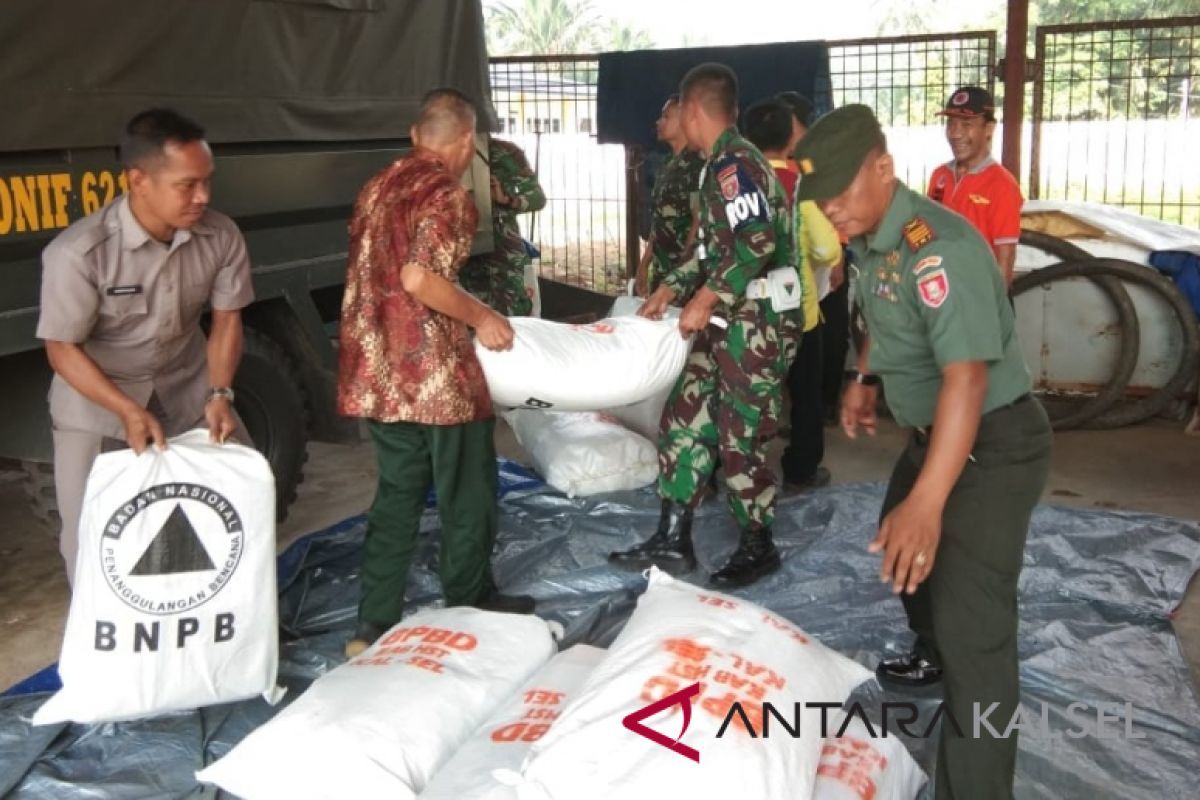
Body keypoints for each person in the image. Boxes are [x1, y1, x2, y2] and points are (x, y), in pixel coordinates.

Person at [794, 104, 1052, 799]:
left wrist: (930, 504)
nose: (831, 212)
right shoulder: (876, 238)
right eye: (821, 201)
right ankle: (935, 645)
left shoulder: (940, 249)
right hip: (938, 435)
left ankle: (977, 784)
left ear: (884, 168)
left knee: (980, 640)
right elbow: (889, 314)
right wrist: (863, 377)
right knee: (905, 556)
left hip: (993, 445)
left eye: (841, 196)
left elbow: (967, 378)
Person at [337, 89, 532, 658]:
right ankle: (470, 606)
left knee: (396, 495)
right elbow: (421, 279)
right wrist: (483, 316)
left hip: (376, 374)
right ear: (466, 143)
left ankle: (372, 625)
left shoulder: (376, 187)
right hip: (436, 379)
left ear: (415, 135)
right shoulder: (448, 194)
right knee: (466, 492)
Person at [37, 108, 253, 585]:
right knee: (92, 536)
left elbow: (227, 320)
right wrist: (126, 411)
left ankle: (226, 628)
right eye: (187, 185)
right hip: (97, 405)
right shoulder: (79, 253)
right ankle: (109, 651)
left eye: (207, 181)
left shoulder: (220, 235)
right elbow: (62, 350)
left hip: (189, 388)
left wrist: (220, 393)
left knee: (245, 495)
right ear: (139, 180)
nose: (204, 196)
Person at [609, 63, 798, 589]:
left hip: (754, 329)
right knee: (685, 418)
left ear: (693, 112)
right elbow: (713, 250)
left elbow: (756, 242)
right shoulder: (714, 164)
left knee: (740, 437)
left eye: (678, 112)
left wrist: (707, 296)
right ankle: (673, 538)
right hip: (721, 323)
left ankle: (758, 544)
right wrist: (671, 288)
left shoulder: (737, 165)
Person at [742, 98, 842, 492]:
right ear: (790, 141)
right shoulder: (800, 187)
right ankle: (801, 469)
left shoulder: (738, 184)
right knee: (804, 396)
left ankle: (731, 471)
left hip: (747, 311)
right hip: (797, 312)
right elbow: (828, 249)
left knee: (743, 393)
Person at [779, 91, 852, 426]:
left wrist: (837, 259)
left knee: (831, 333)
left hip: (827, 254)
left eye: (791, 124)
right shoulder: (781, 162)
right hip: (798, 264)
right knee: (802, 337)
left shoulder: (819, 160)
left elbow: (835, 207)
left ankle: (825, 405)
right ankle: (799, 409)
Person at [927, 86, 1023, 286]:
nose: (955, 134)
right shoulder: (939, 176)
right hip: (942, 292)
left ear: (989, 129)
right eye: (951, 124)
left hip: (978, 295)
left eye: (966, 124)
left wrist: (992, 308)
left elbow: (1005, 260)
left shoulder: (1001, 185)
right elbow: (926, 230)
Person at [459, 137, 546, 315]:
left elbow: (537, 198)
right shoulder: (442, 151)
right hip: (461, 255)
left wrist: (507, 200)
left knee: (513, 316)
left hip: (503, 259)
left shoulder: (506, 153)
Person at [634, 95, 705, 296]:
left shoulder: (696, 165)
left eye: (666, 117)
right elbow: (659, 220)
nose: (659, 122)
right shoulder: (666, 164)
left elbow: (698, 221)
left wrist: (684, 267)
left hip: (685, 274)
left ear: (684, 121)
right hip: (663, 269)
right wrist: (645, 262)